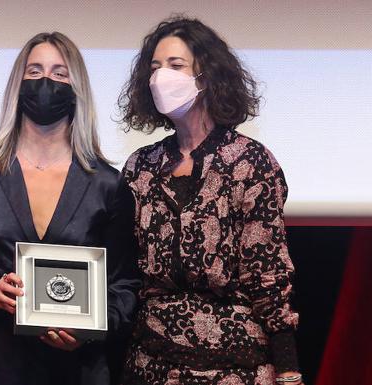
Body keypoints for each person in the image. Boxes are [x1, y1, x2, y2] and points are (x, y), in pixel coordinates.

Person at [0, 32, 140, 385]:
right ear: (17, 85)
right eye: (34, 71)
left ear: (77, 88)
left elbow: (125, 287)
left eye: (59, 74)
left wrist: (92, 328)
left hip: (79, 370)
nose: (46, 82)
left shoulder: (108, 185)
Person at [118, 16, 303, 385]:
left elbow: (267, 272)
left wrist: (288, 369)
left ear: (205, 77)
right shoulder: (141, 165)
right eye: (154, 67)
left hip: (234, 365)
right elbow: (126, 267)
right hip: (151, 362)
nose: (160, 77)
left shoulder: (251, 162)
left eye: (175, 66)